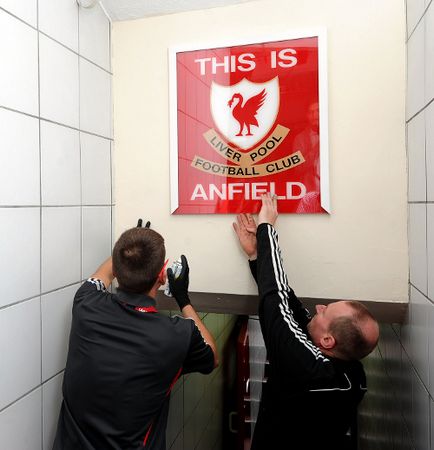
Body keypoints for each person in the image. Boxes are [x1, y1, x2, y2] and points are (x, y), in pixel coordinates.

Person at [233, 194, 379, 449]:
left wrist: (267, 228)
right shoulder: (352, 372)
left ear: (327, 341)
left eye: (324, 312)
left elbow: (276, 304)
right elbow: (292, 309)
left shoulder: (309, 370)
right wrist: (257, 255)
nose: (318, 308)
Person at [53, 225, 218, 450]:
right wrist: (183, 298)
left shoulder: (86, 303)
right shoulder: (177, 335)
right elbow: (212, 356)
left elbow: (105, 272)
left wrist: (132, 248)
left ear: (118, 269)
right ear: (162, 274)